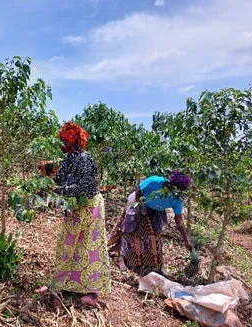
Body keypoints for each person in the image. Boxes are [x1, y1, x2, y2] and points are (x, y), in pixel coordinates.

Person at [36, 121, 111, 306]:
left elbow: (82, 187)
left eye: (64, 141)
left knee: (91, 248)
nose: (61, 144)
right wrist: (47, 176)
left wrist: (56, 190)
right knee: (69, 246)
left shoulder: (84, 158)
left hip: (90, 207)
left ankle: (93, 293)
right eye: (60, 140)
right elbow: (61, 178)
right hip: (76, 208)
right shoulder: (69, 159)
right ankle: (62, 284)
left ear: (74, 142)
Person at [108, 171, 193, 275]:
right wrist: (137, 207)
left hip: (155, 210)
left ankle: (155, 265)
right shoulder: (155, 181)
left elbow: (178, 219)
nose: (180, 192)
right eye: (180, 189)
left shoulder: (177, 198)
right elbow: (138, 190)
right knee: (130, 229)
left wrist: (186, 239)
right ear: (172, 184)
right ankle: (123, 259)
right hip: (137, 200)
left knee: (154, 236)